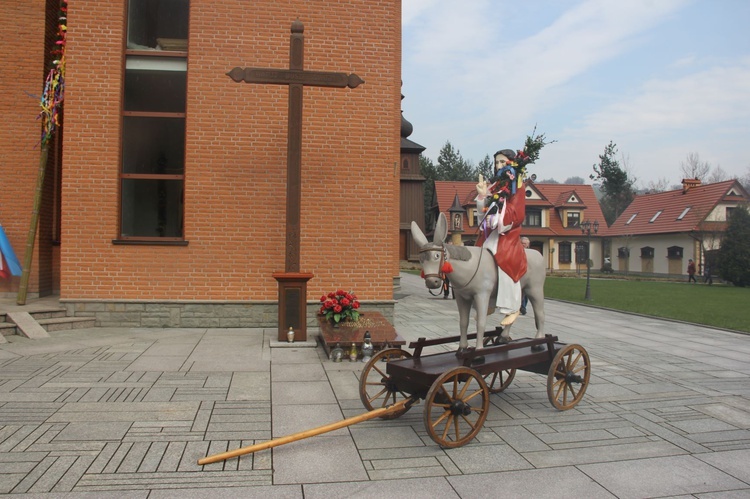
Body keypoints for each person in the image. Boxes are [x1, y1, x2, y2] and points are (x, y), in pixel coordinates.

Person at [475, 149, 527, 326]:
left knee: (505, 259)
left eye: (502, 162)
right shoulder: (495, 185)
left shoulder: (517, 185)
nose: (498, 166)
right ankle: (488, 301)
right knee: (478, 255)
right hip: (490, 232)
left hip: (507, 233)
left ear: (511, 163)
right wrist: (482, 196)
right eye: (496, 162)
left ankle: (513, 307)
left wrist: (499, 216)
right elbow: (481, 216)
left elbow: (518, 213)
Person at [520, 237, 530, 315]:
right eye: (523, 243)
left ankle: (523, 306)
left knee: (526, 292)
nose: (524, 245)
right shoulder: (518, 252)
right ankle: (521, 307)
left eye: (525, 244)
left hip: (528, 275)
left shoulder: (530, 253)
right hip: (519, 274)